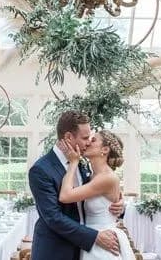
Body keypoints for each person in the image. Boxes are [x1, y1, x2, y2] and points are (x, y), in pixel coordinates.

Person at [28, 111, 125, 260]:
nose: (88, 142)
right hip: (56, 251)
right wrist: (94, 237)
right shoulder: (41, 169)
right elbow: (53, 217)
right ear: (68, 137)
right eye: (85, 138)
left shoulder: (82, 163)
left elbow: (97, 196)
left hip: (85, 250)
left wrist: (120, 205)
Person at [59, 130, 134, 259]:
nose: (88, 143)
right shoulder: (92, 175)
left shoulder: (106, 178)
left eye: (93, 140)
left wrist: (73, 162)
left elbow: (65, 196)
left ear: (104, 150)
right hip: (93, 240)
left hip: (104, 243)